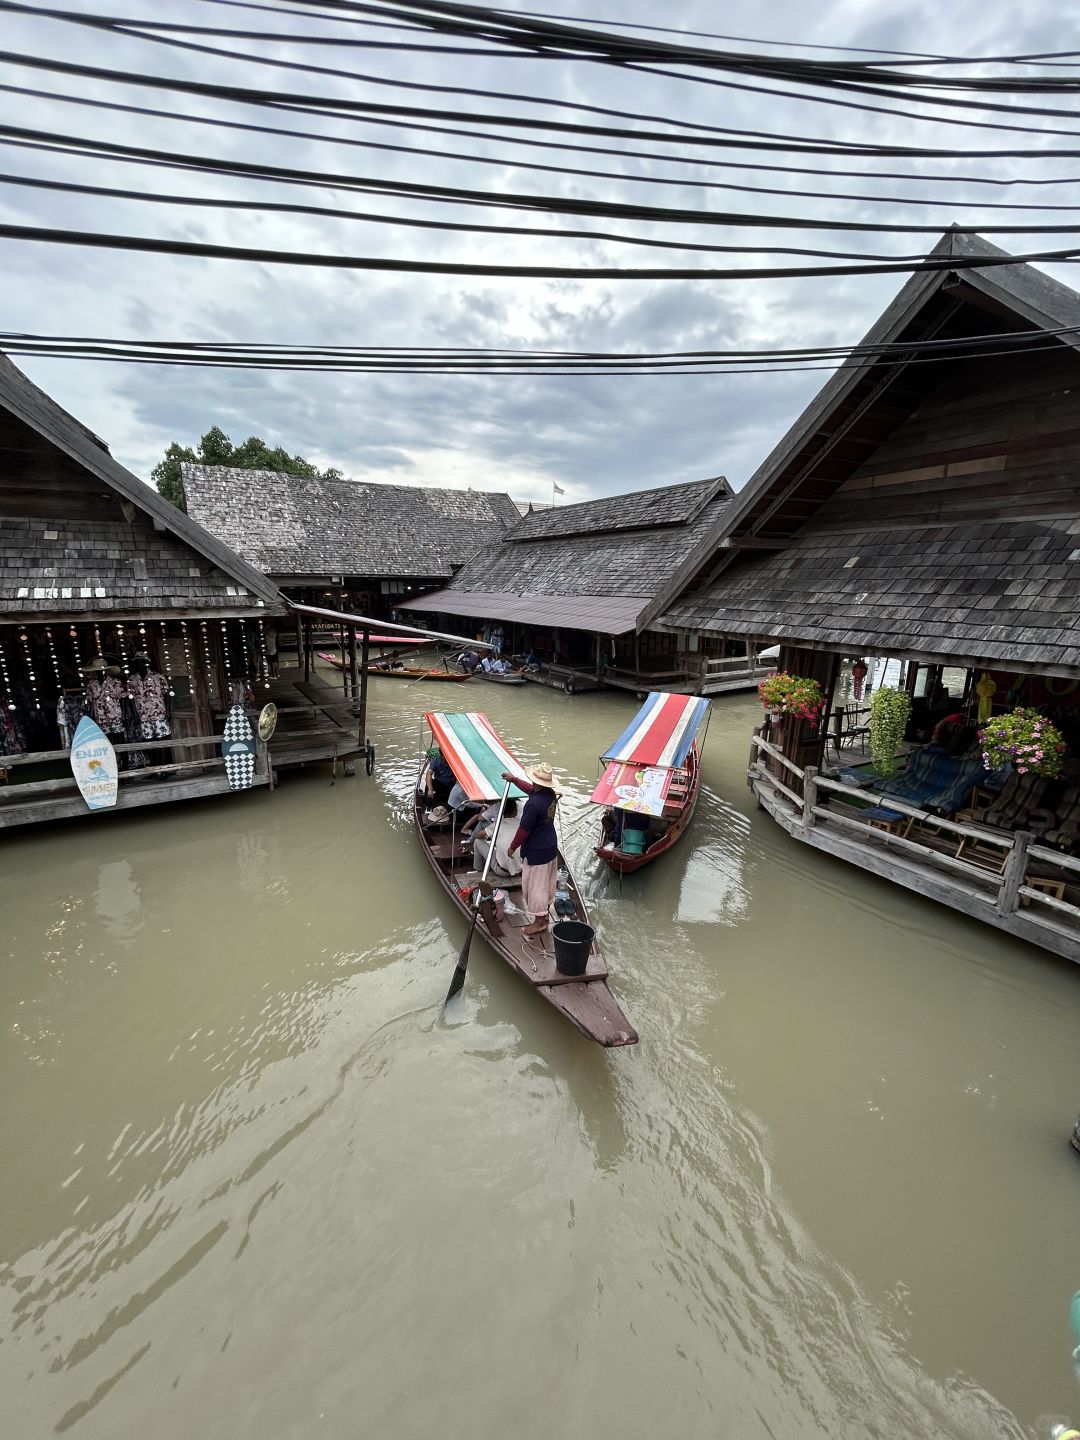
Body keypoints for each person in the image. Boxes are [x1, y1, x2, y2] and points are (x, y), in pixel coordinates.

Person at [503, 763, 561, 935]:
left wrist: (513, 847)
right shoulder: (549, 794)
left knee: (535, 887)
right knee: (548, 883)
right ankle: (544, 916)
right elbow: (531, 790)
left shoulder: (534, 804)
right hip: (550, 846)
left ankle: (539, 922)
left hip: (537, 851)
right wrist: (514, 780)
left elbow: (524, 830)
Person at [468, 797, 522, 877]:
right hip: (521, 869)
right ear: (515, 811)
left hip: (502, 871)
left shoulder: (497, 825)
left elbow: (477, 835)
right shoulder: (522, 825)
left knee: (477, 842)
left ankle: (478, 870)